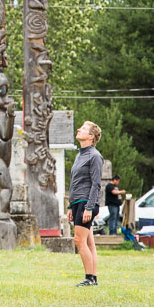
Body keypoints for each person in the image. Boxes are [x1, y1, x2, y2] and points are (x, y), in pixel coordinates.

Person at [67, 121, 103, 287]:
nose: (78, 129)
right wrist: (70, 206)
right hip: (77, 201)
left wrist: (89, 207)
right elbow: (75, 181)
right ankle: (93, 278)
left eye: (83, 129)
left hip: (86, 202)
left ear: (91, 136)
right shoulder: (80, 155)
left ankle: (89, 278)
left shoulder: (94, 156)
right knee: (89, 242)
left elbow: (96, 184)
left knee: (78, 240)